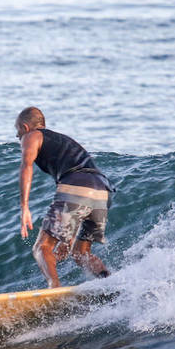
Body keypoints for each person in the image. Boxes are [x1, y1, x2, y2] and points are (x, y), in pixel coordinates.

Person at [16, 106, 113, 288]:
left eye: (18, 131)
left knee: (41, 247)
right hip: (102, 191)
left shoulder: (32, 135)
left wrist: (24, 207)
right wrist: (69, 233)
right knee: (80, 253)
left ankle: (54, 289)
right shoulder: (63, 140)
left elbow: (26, 166)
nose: (17, 136)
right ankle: (110, 285)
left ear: (25, 127)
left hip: (77, 186)